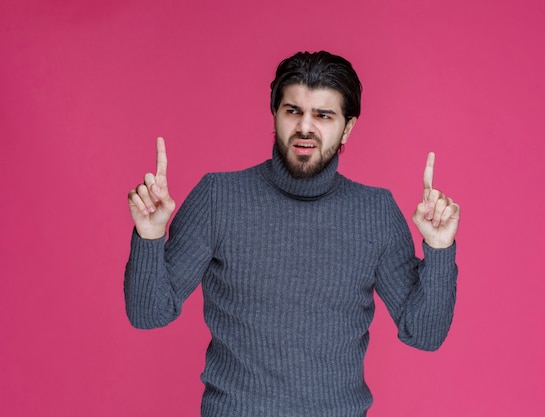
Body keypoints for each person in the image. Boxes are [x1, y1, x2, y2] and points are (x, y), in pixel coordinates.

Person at [125, 51, 460, 417]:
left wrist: (439, 248)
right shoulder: (218, 197)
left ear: (347, 127)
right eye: (293, 111)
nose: (305, 127)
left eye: (323, 115)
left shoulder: (375, 212)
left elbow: (425, 335)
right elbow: (147, 313)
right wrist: (150, 235)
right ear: (275, 115)